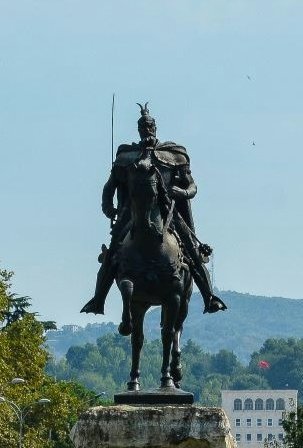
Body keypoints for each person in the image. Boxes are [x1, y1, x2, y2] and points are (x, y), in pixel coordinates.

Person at [81, 103, 227, 324]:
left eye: (150, 126)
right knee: (112, 254)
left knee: (192, 251)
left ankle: (209, 297)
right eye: (143, 127)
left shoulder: (175, 154)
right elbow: (109, 187)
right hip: (131, 214)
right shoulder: (126, 156)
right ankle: (98, 299)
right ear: (138, 130)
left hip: (168, 213)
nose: (147, 130)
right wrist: (108, 208)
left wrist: (182, 192)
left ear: (155, 128)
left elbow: (192, 186)